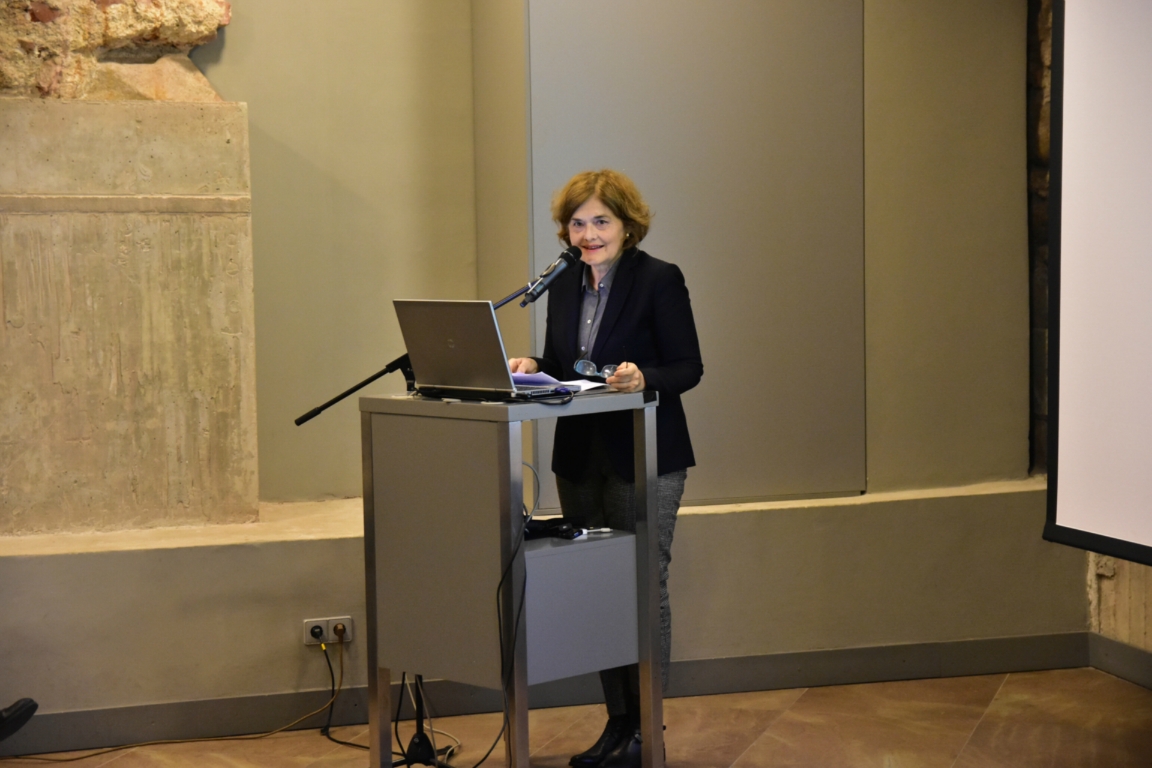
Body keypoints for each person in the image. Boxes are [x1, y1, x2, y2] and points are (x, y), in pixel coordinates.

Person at [510, 169, 702, 768]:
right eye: (578, 223)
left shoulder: (659, 279)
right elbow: (564, 363)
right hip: (579, 458)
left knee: (640, 585)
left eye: (601, 221)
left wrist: (644, 377)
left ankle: (647, 729)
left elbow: (688, 367)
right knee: (598, 588)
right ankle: (617, 725)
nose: (588, 234)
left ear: (627, 225)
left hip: (642, 455)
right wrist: (531, 363)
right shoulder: (565, 283)